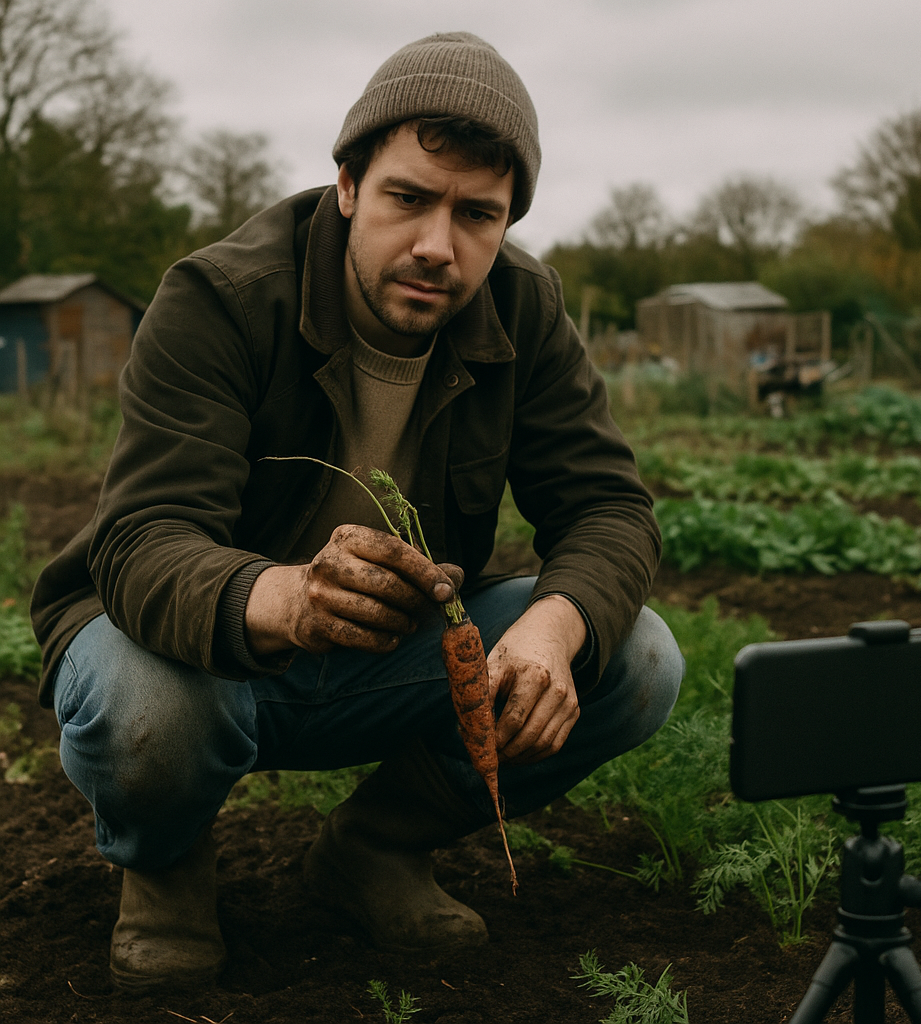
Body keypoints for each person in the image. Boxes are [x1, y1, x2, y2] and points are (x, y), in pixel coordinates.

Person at [30, 31, 684, 994]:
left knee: (635, 659)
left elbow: (610, 509)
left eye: (477, 214)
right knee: (151, 708)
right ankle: (165, 867)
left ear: (508, 220)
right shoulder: (223, 298)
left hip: (390, 653)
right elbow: (143, 541)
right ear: (347, 185)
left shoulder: (525, 309)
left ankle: (374, 849)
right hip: (200, 653)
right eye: (408, 198)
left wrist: (553, 627)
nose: (437, 245)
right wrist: (287, 599)